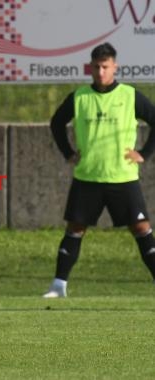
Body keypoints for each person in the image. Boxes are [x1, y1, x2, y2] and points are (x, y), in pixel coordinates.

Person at [43, 42, 155, 298]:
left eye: (105, 67)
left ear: (114, 67)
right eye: (96, 67)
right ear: (90, 68)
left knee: (141, 228)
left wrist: (144, 154)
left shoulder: (129, 95)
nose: (101, 71)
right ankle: (58, 286)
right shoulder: (80, 96)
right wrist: (69, 153)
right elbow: (57, 123)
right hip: (88, 176)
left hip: (122, 176)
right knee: (75, 228)